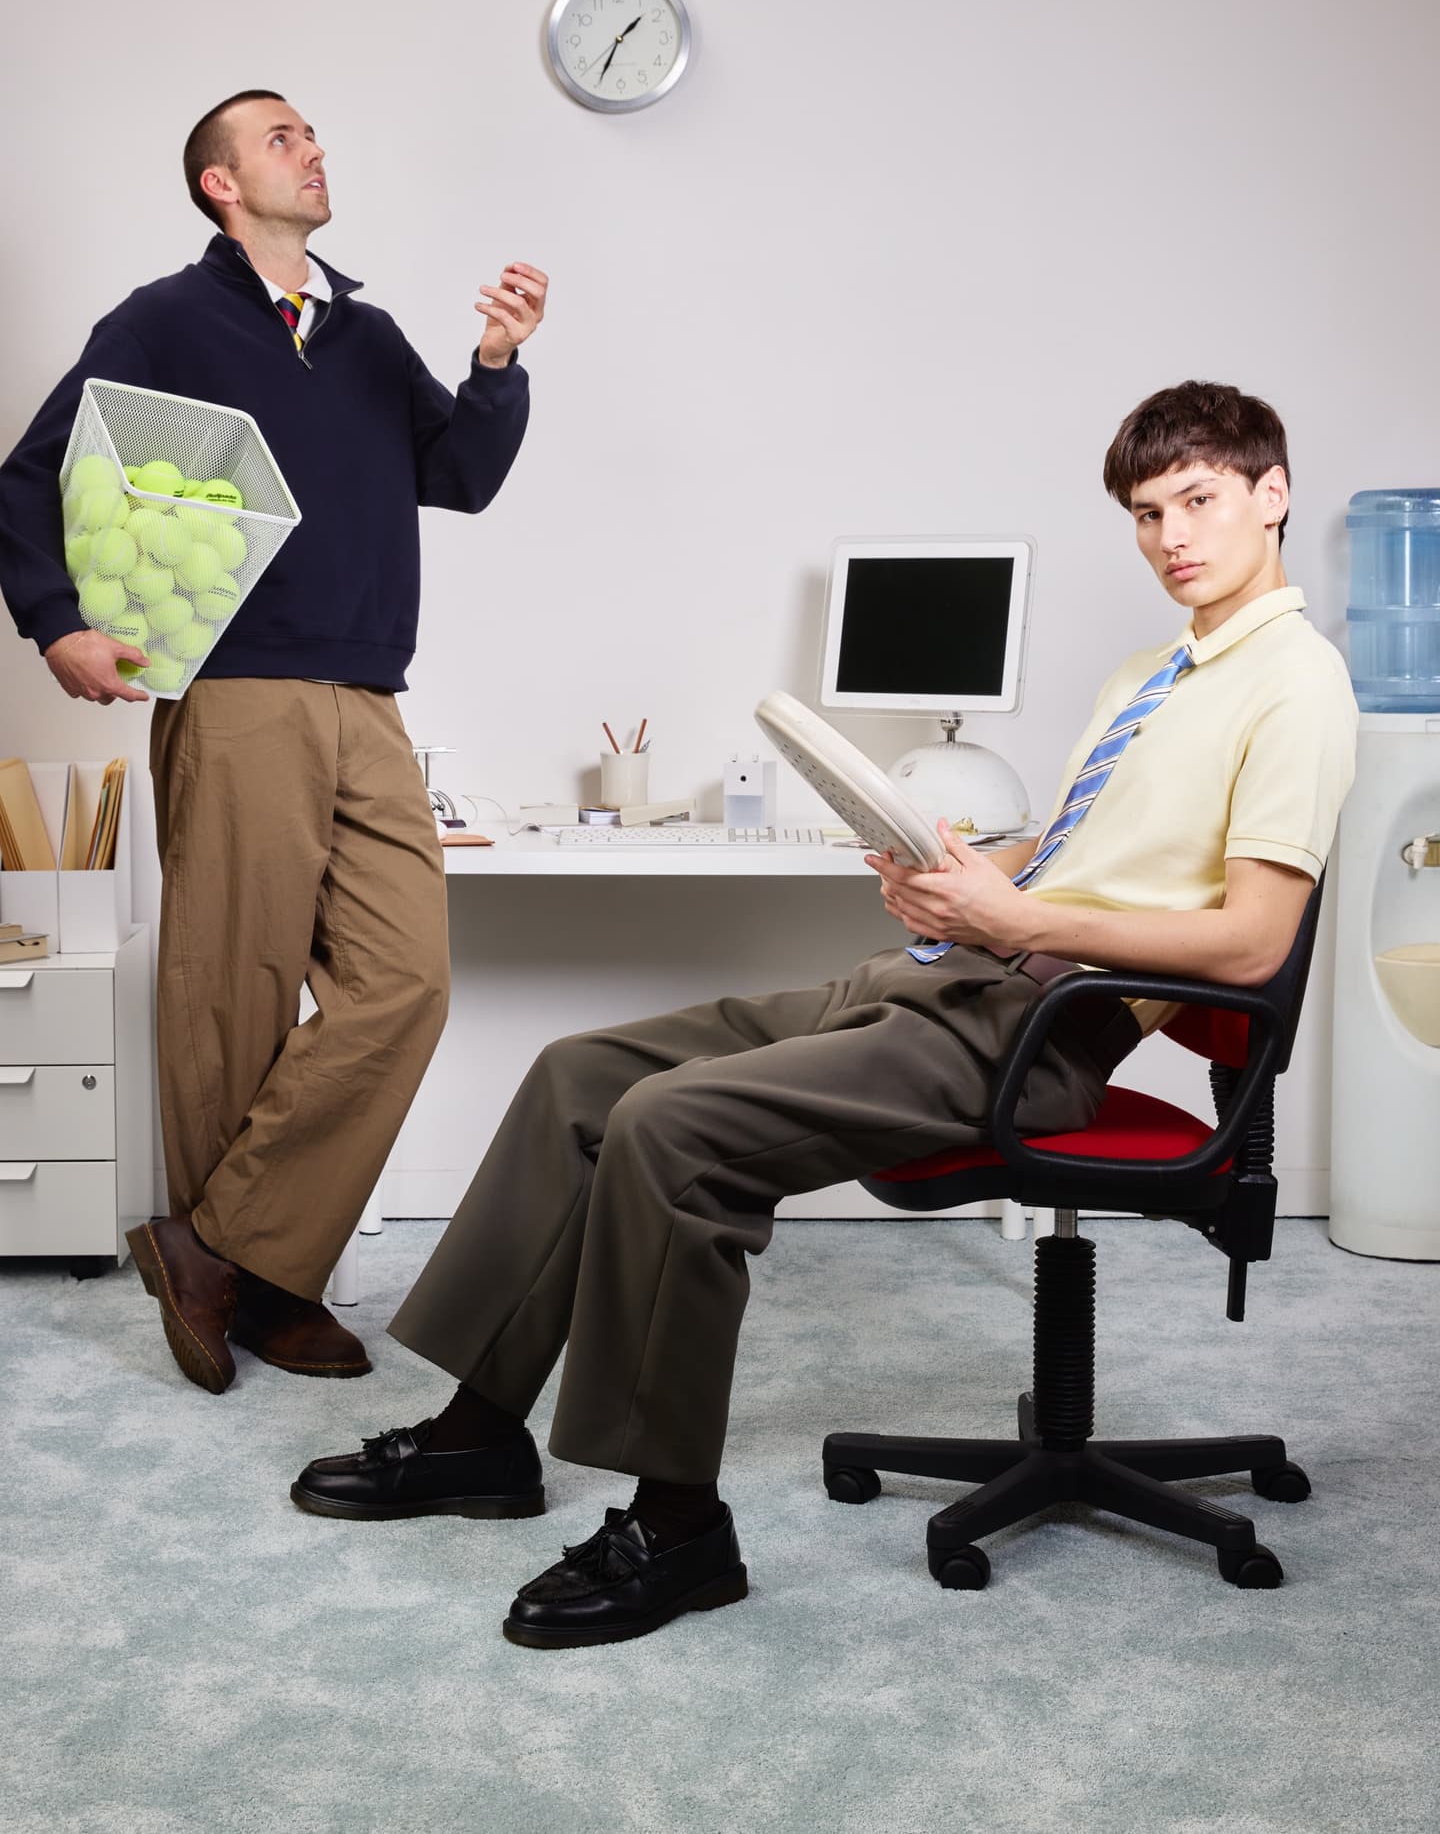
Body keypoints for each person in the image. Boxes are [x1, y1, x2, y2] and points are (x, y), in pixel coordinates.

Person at [292, 381, 1357, 1649]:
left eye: (1199, 501)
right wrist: (955, 862)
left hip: (1045, 1030)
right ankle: (480, 1436)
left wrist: (1012, 923)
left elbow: (1253, 937)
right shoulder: (1154, 670)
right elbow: (1079, 856)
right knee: (582, 1071)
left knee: (669, 1130)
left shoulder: (1298, 685)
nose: (1171, 534)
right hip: (943, 977)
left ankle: (679, 1527)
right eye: (1146, 512)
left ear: (1270, 495)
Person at [0, 90, 547, 1393]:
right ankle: (270, 1282)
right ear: (221, 185)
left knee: (402, 979)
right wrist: (57, 622)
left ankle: (219, 1244)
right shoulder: (166, 319)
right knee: (228, 998)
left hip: (369, 696)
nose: (313, 146)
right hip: (235, 687)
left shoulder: (362, 333)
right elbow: (30, 475)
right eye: (281, 135)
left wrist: (496, 364)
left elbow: (456, 473)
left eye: (312, 130)